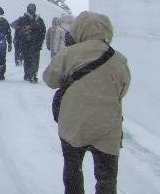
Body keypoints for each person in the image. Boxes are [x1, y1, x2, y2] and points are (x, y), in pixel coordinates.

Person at [43, 11, 130, 194]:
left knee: (73, 173)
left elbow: (50, 80)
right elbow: (122, 90)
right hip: (107, 128)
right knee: (106, 179)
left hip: (74, 125)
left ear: (79, 29)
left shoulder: (69, 54)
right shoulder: (118, 59)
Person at [15, 3, 46, 83]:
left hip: (26, 43)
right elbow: (43, 31)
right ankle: (32, 75)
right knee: (34, 60)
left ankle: (28, 75)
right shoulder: (39, 19)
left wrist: (18, 43)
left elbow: (17, 32)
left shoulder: (22, 19)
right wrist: (40, 41)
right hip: (34, 43)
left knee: (28, 59)